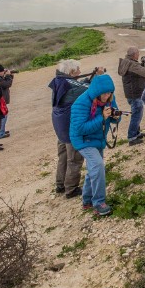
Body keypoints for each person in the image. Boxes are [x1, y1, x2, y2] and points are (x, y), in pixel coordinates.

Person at [69, 74, 120, 216]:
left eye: (110, 92)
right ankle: (99, 203)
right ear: (96, 91)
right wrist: (102, 117)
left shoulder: (110, 99)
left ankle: (87, 201)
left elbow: (115, 119)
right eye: (104, 93)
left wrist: (116, 117)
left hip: (98, 139)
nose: (107, 96)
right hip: (83, 140)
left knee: (94, 168)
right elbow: (80, 128)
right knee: (97, 165)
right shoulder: (81, 103)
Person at [48, 60, 99, 198]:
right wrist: (97, 77)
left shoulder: (59, 81)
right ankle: (71, 188)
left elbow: (79, 84)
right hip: (69, 126)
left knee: (63, 156)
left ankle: (60, 184)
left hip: (60, 125)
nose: (79, 72)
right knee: (74, 158)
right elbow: (88, 89)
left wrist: (90, 77)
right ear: (71, 72)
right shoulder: (69, 84)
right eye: (77, 71)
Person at [117, 47, 145, 146]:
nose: (139, 55)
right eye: (138, 53)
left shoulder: (127, 62)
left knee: (137, 113)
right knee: (137, 115)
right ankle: (132, 137)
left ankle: (136, 133)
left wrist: (142, 63)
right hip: (135, 93)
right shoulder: (132, 64)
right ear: (134, 55)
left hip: (132, 93)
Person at [0, 64, 14, 139]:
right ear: (0, 72)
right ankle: (0, 133)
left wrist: (9, 76)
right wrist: (9, 76)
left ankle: (1, 131)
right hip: (0, 100)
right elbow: (7, 84)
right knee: (3, 116)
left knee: (1, 116)